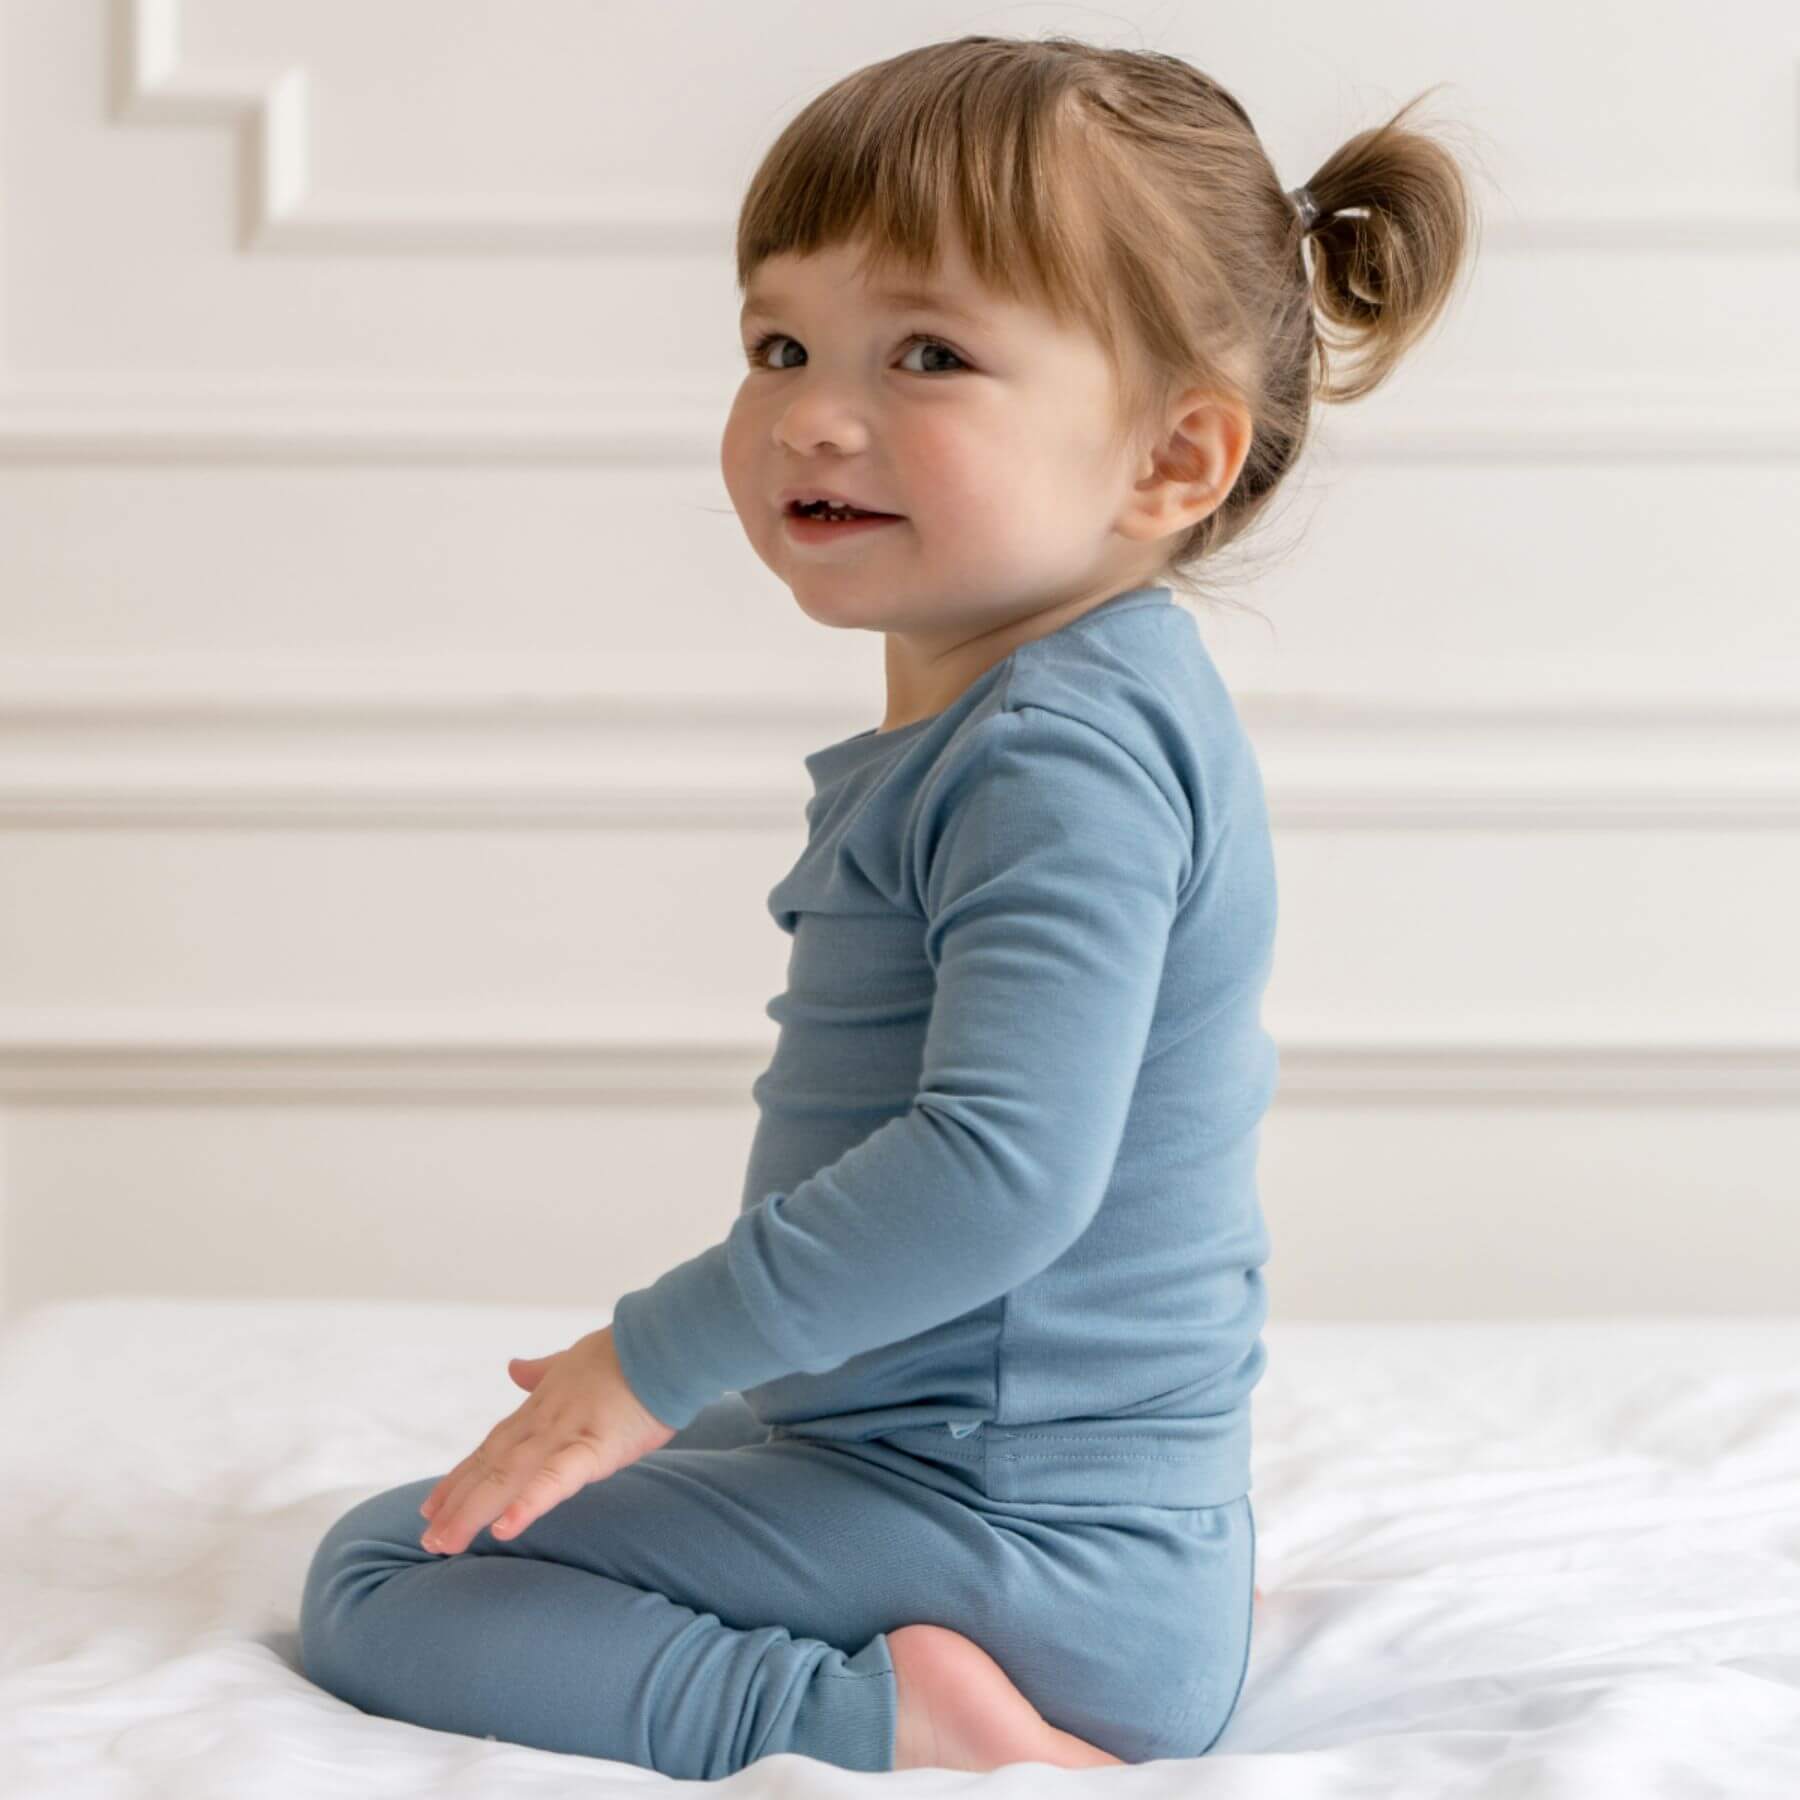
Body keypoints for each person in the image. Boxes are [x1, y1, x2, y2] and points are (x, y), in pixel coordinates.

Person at [299, 33, 1476, 1777]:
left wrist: (652, 1359)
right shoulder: (1061, 707)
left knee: (391, 1572)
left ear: (1173, 461)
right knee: (481, 1523)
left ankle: (893, 1724)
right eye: (780, 342)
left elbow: (1000, 1171)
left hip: (1042, 1567)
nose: (812, 411)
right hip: (975, 1507)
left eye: (926, 352)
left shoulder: (1057, 757)